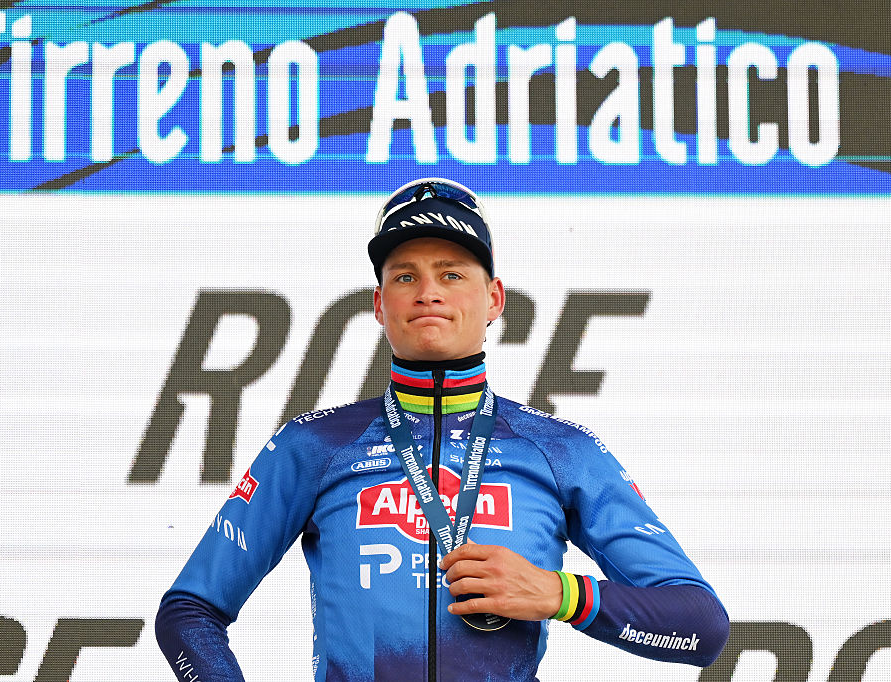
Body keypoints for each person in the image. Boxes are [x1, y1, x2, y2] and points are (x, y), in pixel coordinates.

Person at [155, 178, 730, 681]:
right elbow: (188, 612)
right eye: (406, 275)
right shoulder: (313, 445)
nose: (427, 290)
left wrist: (561, 594)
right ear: (381, 304)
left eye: (451, 273)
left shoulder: (561, 451)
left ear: (494, 299)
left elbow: (701, 627)